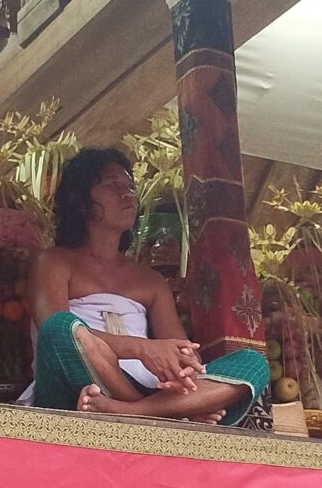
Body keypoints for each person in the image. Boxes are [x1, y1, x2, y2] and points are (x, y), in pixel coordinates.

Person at [25, 147, 269, 425]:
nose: (127, 193)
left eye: (130, 185)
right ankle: (170, 413)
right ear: (79, 200)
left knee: (253, 363)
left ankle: (134, 412)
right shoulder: (53, 261)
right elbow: (53, 330)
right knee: (60, 328)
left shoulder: (149, 280)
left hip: (146, 394)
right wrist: (142, 349)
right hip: (77, 388)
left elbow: (184, 352)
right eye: (112, 184)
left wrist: (185, 370)